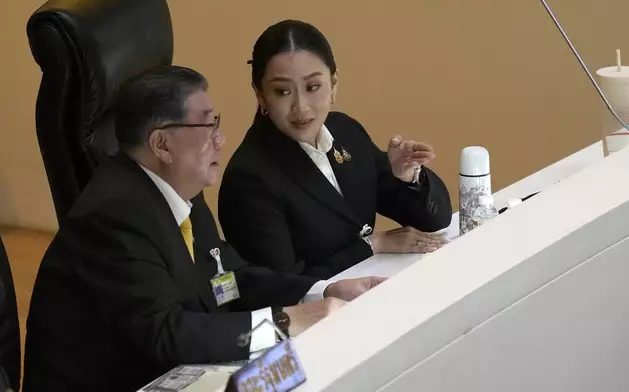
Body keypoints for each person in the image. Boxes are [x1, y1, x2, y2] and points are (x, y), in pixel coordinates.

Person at [22, 65, 384, 392]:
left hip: (174, 371)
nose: (219, 139)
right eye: (208, 125)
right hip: (127, 380)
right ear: (161, 144)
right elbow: (165, 333)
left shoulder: (181, 192)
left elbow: (227, 281)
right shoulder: (112, 219)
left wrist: (321, 292)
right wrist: (283, 323)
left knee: (314, 369)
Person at [218, 20, 453, 280]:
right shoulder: (249, 178)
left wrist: (408, 177)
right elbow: (284, 288)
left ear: (334, 83)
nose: (301, 108)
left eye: (313, 87)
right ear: (261, 95)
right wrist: (372, 246)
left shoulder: (345, 130)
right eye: (283, 91)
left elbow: (434, 221)